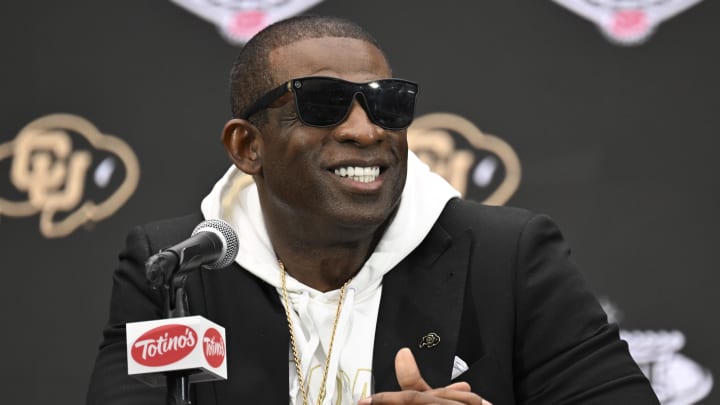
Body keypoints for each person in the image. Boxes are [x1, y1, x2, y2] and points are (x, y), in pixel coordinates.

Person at [86, 15, 660, 405]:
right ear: (247, 147)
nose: (365, 130)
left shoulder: (507, 255)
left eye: (388, 104)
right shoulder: (175, 267)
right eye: (323, 103)